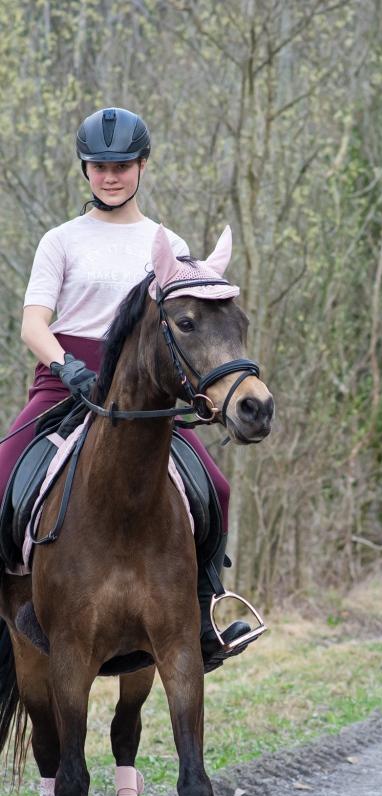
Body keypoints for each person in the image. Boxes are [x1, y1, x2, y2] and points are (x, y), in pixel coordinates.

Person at [1, 106, 251, 671]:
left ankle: (204, 613)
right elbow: (33, 325)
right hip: (63, 385)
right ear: (85, 169)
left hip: (144, 399)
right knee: (1, 479)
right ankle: (14, 600)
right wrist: (67, 367)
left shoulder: (168, 243)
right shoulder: (60, 241)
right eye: (99, 166)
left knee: (217, 488)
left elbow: (188, 330)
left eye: (122, 166)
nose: (110, 176)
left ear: (141, 166)